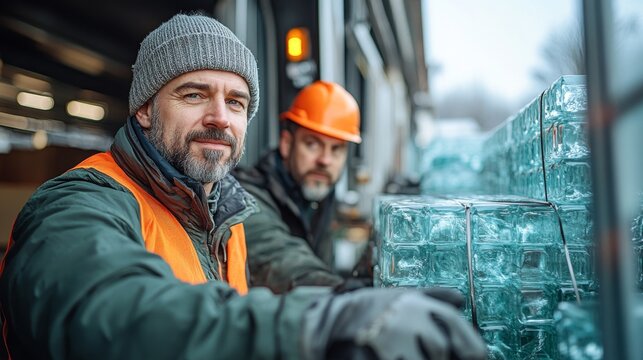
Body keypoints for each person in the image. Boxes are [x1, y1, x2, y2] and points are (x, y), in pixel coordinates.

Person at [0, 13, 487, 360]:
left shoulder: (226, 215)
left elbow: (273, 276)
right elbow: (107, 312)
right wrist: (317, 326)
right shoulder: (78, 202)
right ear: (145, 109)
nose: (219, 117)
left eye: (236, 102)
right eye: (194, 94)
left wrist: (362, 294)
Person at [233, 81, 364, 293]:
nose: (325, 160)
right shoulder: (245, 199)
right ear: (286, 144)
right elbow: (284, 265)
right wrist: (347, 296)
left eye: (337, 149)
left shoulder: (321, 199)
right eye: (312, 144)